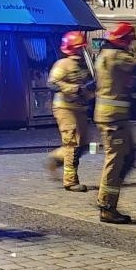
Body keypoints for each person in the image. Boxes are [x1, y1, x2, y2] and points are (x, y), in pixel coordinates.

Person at [94, 22, 136, 224]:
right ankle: (107, 206)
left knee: (129, 157)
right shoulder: (118, 56)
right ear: (122, 40)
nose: (131, 43)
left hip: (113, 117)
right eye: (130, 40)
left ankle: (107, 197)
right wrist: (133, 54)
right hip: (114, 119)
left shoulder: (104, 54)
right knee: (116, 162)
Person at [45, 31, 94, 192]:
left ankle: (56, 158)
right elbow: (52, 83)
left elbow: (86, 87)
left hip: (80, 109)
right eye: (79, 48)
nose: (82, 51)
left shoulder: (83, 67)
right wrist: (74, 88)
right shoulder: (62, 64)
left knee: (84, 145)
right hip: (65, 109)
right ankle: (71, 181)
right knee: (72, 144)